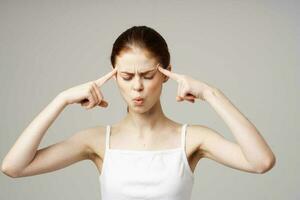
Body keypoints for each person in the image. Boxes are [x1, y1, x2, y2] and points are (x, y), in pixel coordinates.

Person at [1, 26, 276, 199]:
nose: (137, 87)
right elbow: (13, 167)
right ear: (113, 76)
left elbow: (261, 162)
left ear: (166, 74)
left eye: (147, 75)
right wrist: (60, 100)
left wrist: (210, 93)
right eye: (126, 76)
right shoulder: (96, 141)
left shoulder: (192, 139)